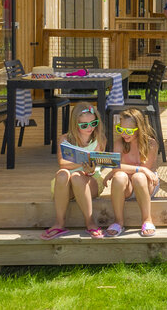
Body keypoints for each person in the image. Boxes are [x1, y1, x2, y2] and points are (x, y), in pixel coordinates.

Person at [43, 102, 110, 240]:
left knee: (77, 177)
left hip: (91, 180)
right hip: (66, 184)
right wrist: (83, 160)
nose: (90, 127)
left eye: (94, 123)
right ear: (75, 124)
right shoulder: (64, 139)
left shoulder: (99, 139)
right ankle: (59, 223)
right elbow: (62, 163)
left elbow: (97, 164)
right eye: (84, 125)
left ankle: (90, 222)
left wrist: (89, 170)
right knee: (63, 174)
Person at [105, 107, 160, 238]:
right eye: (121, 129)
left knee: (139, 177)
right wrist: (139, 168)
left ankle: (147, 219)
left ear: (139, 129)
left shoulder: (150, 144)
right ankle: (119, 221)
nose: (124, 134)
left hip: (146, 185)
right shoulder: (120, 142)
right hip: (128, 186)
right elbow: (116, 167)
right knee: (119, 177)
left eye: (128, 130)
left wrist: (138, 170)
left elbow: (144, 174)